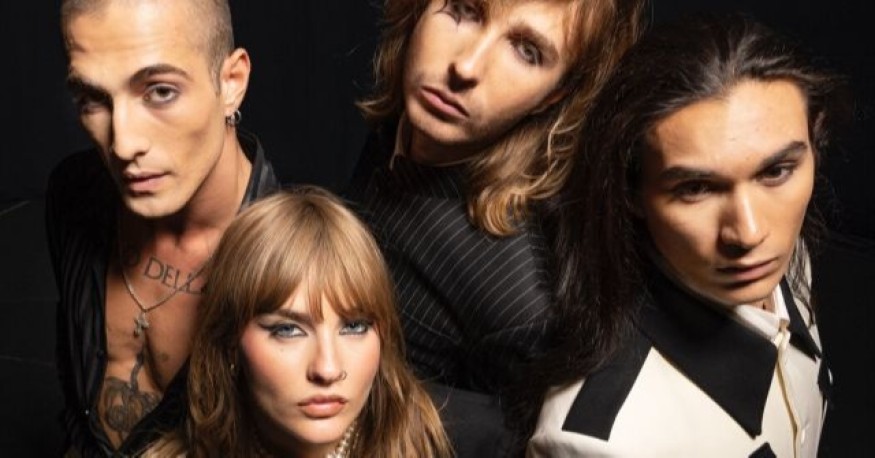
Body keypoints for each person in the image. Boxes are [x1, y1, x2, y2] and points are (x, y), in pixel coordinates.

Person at [525, 13, 845, 457]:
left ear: (815, 143)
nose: (749, 232)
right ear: (631, 193)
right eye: (695, 188)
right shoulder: (608, 444)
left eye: (775, 171)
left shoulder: (785, 257)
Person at [345, 0, 645, 454]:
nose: (465, 67)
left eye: (527, 51)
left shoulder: (518, 305)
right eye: (465, 10)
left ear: (555, 94)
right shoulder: (411, 121)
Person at [46, 0, 278, 455]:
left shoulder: (295, 263)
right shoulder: (73, 194)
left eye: (160, 92)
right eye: (93, 99)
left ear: (231, 83)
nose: (123, 144)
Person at [142, 188, 453, 457]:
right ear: (230, 340)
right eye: (288, 330)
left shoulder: (463, 444)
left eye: (354, 327)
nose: (327, 369)